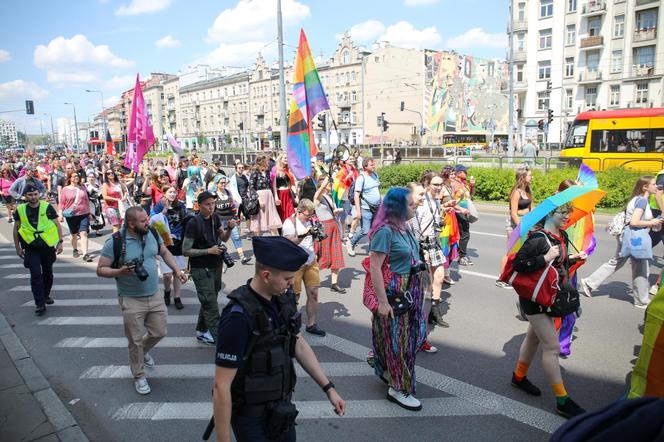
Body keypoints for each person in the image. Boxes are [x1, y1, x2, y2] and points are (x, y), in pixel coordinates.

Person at [212, 236, 346, 442]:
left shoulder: (283, 302)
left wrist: (329, 389)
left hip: (281, 411)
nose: (292, 282)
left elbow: (299, 344)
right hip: (250, 417)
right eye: (287, 278)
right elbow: (221, 386)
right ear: (266, 275)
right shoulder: (238, 317)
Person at [97, 206, 187, 395]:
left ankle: (142, 353)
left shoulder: (152, 232)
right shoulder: (115, 241)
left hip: (154, 294)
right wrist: (120, 271)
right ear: (131, 224)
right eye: (143, 221)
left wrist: (177, 271)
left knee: (159, 332)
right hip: (130, 299)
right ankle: (139, 376)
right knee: (135, 341)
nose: (148, 222)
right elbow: (101, 269)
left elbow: (164, 252)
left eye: (147, 219)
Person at [510, 203, 587, 418]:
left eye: (568, 213)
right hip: (533, 299)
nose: (567, 217)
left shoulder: (561, 236)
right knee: (552, 347)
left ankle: (518, 377)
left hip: (548, 296)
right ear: (550, 214)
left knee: (533, 338)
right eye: (562, 213)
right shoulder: (538, 239)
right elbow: (519, 264)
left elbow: (558, 266)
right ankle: (562, 400)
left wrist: (574, 258)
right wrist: (544, 257)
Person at [367, 187, 427, 411]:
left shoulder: (406, 226)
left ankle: (384, 368)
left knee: (409, 337)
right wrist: (382, 302)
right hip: (396, 290)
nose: (415, 206)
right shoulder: (385, 231)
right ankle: (398, 388)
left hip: (411, 287)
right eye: (411, 204)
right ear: (397, 207)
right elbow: (375, 267)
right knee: (400, 342)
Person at [580, 176, 664, 308]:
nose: (657, 187)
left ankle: (590, 282)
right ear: (645, 187)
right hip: (634, 238)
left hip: (628, 236)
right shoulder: (641, 201)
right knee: (641, 268)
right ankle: (641, 300)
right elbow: (634, 222)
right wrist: (652, 222)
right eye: (654, 184)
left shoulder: (638, 199)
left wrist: (653, 223)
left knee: (618, 262)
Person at [183, 191, 235, 345]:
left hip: (216, 265)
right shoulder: (193, 223)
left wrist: (230, 229)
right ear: (199, 206)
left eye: (213, 204)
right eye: (207, 204)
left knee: (209, 300)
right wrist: (208, 251)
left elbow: (223, 237)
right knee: (211, 304)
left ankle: (201, 331)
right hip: (200, 269)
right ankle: (222, 342)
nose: (211, 207)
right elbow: (185, 250)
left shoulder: (215, 218)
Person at [12, 185, 64, 316]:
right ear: (25, 196)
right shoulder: (21, 210)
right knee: (35, 274)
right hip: (31, 247)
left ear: (38, 194)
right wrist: (18, 247)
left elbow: (57, 225)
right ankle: (39, 304)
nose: (33, 197)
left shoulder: (47, 207)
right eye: (30, 195)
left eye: (35, 194)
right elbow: (16, 229)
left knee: (48, 274)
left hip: (47, 246)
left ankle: (45, 295)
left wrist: (60, 242)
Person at [411, 174, 451, 329]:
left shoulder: (436, 199)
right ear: (427, 184)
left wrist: (443, 210)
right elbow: (415, 227)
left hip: (434, 242)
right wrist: (420, 248)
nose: (439, 187)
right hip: (422, 245)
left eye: (441, 184)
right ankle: (421, 314)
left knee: (439, 277)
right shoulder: (420, 202)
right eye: (436, 184)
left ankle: (434, 312)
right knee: (425, 283)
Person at [282, 199, 326, 336]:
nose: (310, 217)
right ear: (299, 211)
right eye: (308, 215)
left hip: (311, 261)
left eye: (312, 214)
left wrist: (318, 233)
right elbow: (288, 244)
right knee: (293, 296)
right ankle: (289, 324)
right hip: (295, 265)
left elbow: (318, 237)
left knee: (313, 293)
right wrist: (304, 234)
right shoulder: (289, 223)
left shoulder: (312, 220)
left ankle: (311, 324)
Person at [151, 186, 187, 309]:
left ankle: (177, 297)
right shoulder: (159, 205)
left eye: (174, 192)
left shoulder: (181, 206)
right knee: (167, 275)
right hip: (164, 243)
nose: (172, 194)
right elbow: (152, 221)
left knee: (178, 272)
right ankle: (167, 291)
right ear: (164, 194)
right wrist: (164, 211)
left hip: (177, 242)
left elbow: (185, 221)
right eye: (170, 192)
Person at [497, 166, 533, 287]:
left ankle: (516, 276)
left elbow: (529, 209)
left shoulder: (527, 191)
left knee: (521, 251)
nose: (531, 177)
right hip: (514, 224)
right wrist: (521, 227)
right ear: (522, 177)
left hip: (525, 222)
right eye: (529, 175)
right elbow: (513, 213)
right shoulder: (516, 192)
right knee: (511, 251)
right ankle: (501, 278)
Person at [313, 176, 346, 294]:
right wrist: (325, 180)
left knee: (335, 254)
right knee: (322, 255)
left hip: (333, 226)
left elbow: (329, 211)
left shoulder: (329, 196)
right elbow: (319, 193)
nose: (331, 184)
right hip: (324, 228)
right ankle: (309, 278)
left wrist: (336, 211)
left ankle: (334, 284)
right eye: (328, 183)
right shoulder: (317, 197)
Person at [213, 175, 251, 265]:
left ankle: (242, 257)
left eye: (225, 182)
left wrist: (236, 216)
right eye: (221, 182)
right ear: (216, 184)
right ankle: (218, 260)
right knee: (219, 241)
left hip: (230, 219)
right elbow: (212, 209)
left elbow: (233, 205)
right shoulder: (214, 194)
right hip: (219, 221)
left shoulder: (228, 192)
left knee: (236, 236)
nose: (224, 184)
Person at [346, 157, 381, 257]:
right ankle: (351, 243)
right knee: (365, 230)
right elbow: (357, 195)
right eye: (371, 164)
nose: (374, 166)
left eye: (374, 164)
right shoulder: (361, 178)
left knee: (375, 230)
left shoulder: (375, 175)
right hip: (366, 209)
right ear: (365, 166)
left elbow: (377, 189)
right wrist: (358, 211)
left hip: (377, 208)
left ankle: (372, 250)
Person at [58, 171, 93, 262]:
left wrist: (89, 213)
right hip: (71, 215)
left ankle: (85, 254)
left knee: (83, 233)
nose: (76, 177)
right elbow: (61, 203)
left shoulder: (82, 188)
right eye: (74, 176)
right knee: (73, 234)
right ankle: (75, 249)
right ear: (70, 178)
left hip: (83, 213)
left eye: (77, 176)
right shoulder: (65, 189)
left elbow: (86, 201)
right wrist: (60, 214)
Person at [249, 156, 282, 236]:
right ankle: (258, 241)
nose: (267, 163)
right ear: (261, 162)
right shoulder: (254, 173)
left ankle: (276, 241)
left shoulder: (267, 172)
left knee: (271, 221)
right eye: (266, 162)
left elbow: (272, 185)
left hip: (269, 198)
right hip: (260, 198)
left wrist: (275, 197)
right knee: (258, 221)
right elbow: (251, 187)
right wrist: (258, 199)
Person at [272, 154, 297, 223]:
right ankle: (283, 231)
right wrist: (276, 197)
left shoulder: (288, 169)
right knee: (281, 214)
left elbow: (292, 183)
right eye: (285, 158)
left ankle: (291, 229)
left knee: (291, 213)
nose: (287, 159)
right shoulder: (275, 169)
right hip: (280, 194)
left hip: (288, 195)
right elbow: (274, 185)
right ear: (281, 159)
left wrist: (296, 195)